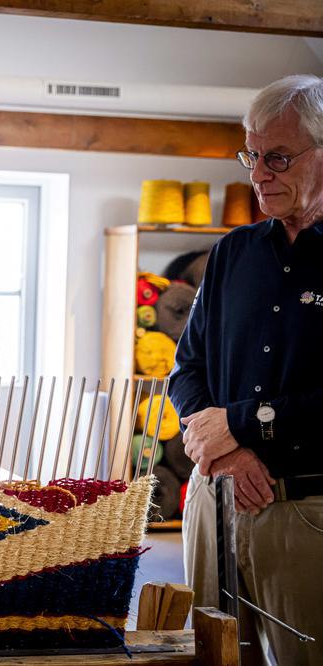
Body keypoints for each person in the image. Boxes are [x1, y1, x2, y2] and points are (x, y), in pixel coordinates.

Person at [168, 74, 323, 666]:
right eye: (251, 154)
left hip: (304, 515)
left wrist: (242, 425)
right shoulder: (234, 251)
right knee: (212, 658)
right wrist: (228, 450)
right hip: (215, 501)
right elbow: (187, 370)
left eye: (278, 157)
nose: (258, 173)